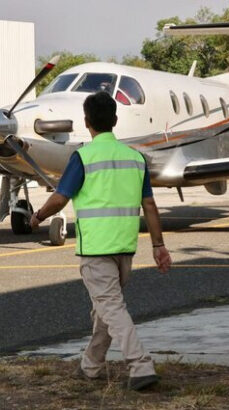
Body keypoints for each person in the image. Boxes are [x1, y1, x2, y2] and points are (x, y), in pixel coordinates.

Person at [29, 91, 172, 391]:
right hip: (124, 251)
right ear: (115, 121)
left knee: (112, 310)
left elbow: (59, 198)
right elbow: (150, 206)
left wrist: (38, 216)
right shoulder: (136, 159)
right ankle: (90, 366)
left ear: (86, 122)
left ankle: (141, 365)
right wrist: (159, 246)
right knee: (105, 310)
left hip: (96, 250)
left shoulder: (83, 157)